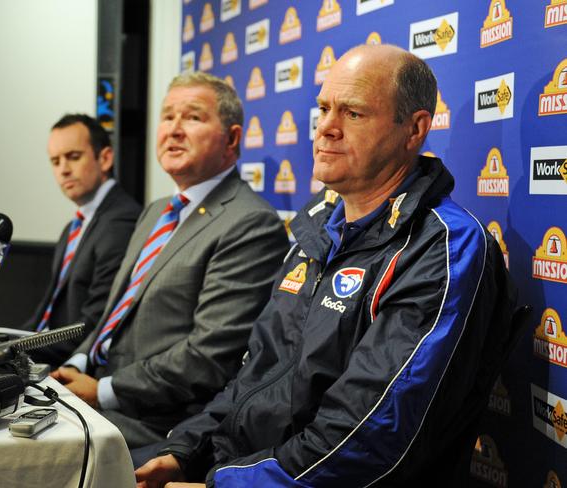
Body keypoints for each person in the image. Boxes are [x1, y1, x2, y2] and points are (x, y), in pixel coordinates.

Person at [134, 44, 517, 487]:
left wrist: (221, 484)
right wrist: (184, 451)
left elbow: (368, 437)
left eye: (352, 113)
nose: (326, 129)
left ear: (414, 130)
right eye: (323, 108)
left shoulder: (442, 246)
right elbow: (256, 375)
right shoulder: (318, 230)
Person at [51, 73, 290, 450]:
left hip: (155, 423)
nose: (174, 130)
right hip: (94, 395)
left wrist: (103, 390)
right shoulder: (156, 211)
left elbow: (206, 357)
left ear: (231, 139)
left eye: (193, 117)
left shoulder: (250, 223)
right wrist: (78, 363)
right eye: (167, 117)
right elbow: (116, 312)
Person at [26, 114, 141, 368]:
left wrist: (19, 352)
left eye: (73, 157)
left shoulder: (121, 221)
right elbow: (46, 311)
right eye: (55, 161)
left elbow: (95, 322)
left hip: (73, 365)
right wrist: (0, 344)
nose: (63, 169)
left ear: (106, 158)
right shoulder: (74, 227)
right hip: (43, 355)